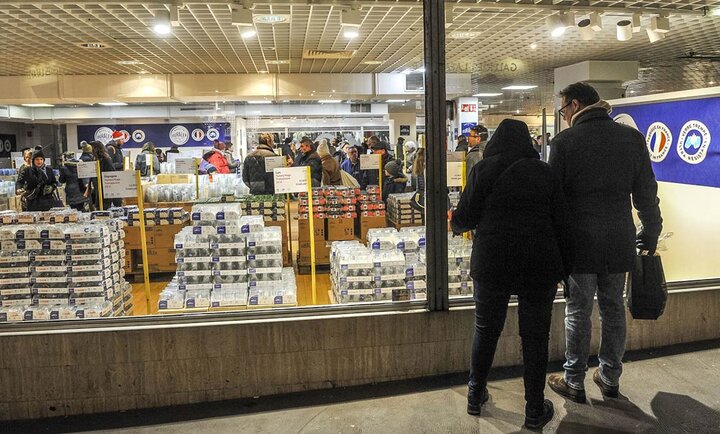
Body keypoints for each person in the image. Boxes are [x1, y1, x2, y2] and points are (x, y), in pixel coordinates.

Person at [450, 119, 572, 430]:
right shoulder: (545, 171)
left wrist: (459, 221)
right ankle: (534, 409)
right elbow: (562, 222)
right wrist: (566, 267)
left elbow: (463, 217)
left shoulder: (483, 169)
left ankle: (475, 396)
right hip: (538, 263)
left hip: (493, 261)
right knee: (535, 337)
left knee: (486, 329)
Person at [547, 82, 663, 403]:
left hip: (579, 242)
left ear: (574, 105)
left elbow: (553, 201)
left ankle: (574, 380)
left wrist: (552, 246)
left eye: (564, 110)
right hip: (618, 239)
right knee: (613, 310)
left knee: (578, 311)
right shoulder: (631, 139)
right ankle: (610, 376)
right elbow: (645, 192)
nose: (564, 116)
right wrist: (651, 229)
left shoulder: (564, 143)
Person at [91, 140, 119, 209]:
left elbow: (112, 172)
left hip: (105, 187)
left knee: (104, 207)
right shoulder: (95, 159)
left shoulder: (106, 159)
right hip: (98, 187)